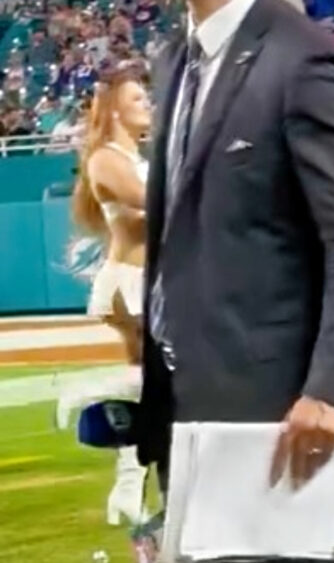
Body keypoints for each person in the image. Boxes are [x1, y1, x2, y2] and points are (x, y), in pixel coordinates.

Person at [137, 0, 334, 560]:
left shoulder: (303, 58)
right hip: (194, 419)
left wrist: (333, 390)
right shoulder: (176, 60)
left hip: (285, 430)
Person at [58, 61, 151, 528]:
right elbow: (153, 201)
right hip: (128, 285)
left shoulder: (134, 154)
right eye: (136, 99)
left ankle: (129, 487)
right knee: (160, 384)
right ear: (113, 110)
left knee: (150, 394)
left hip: (148, 281)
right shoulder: (105, 159)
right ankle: (85, 391)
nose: (146, 105)